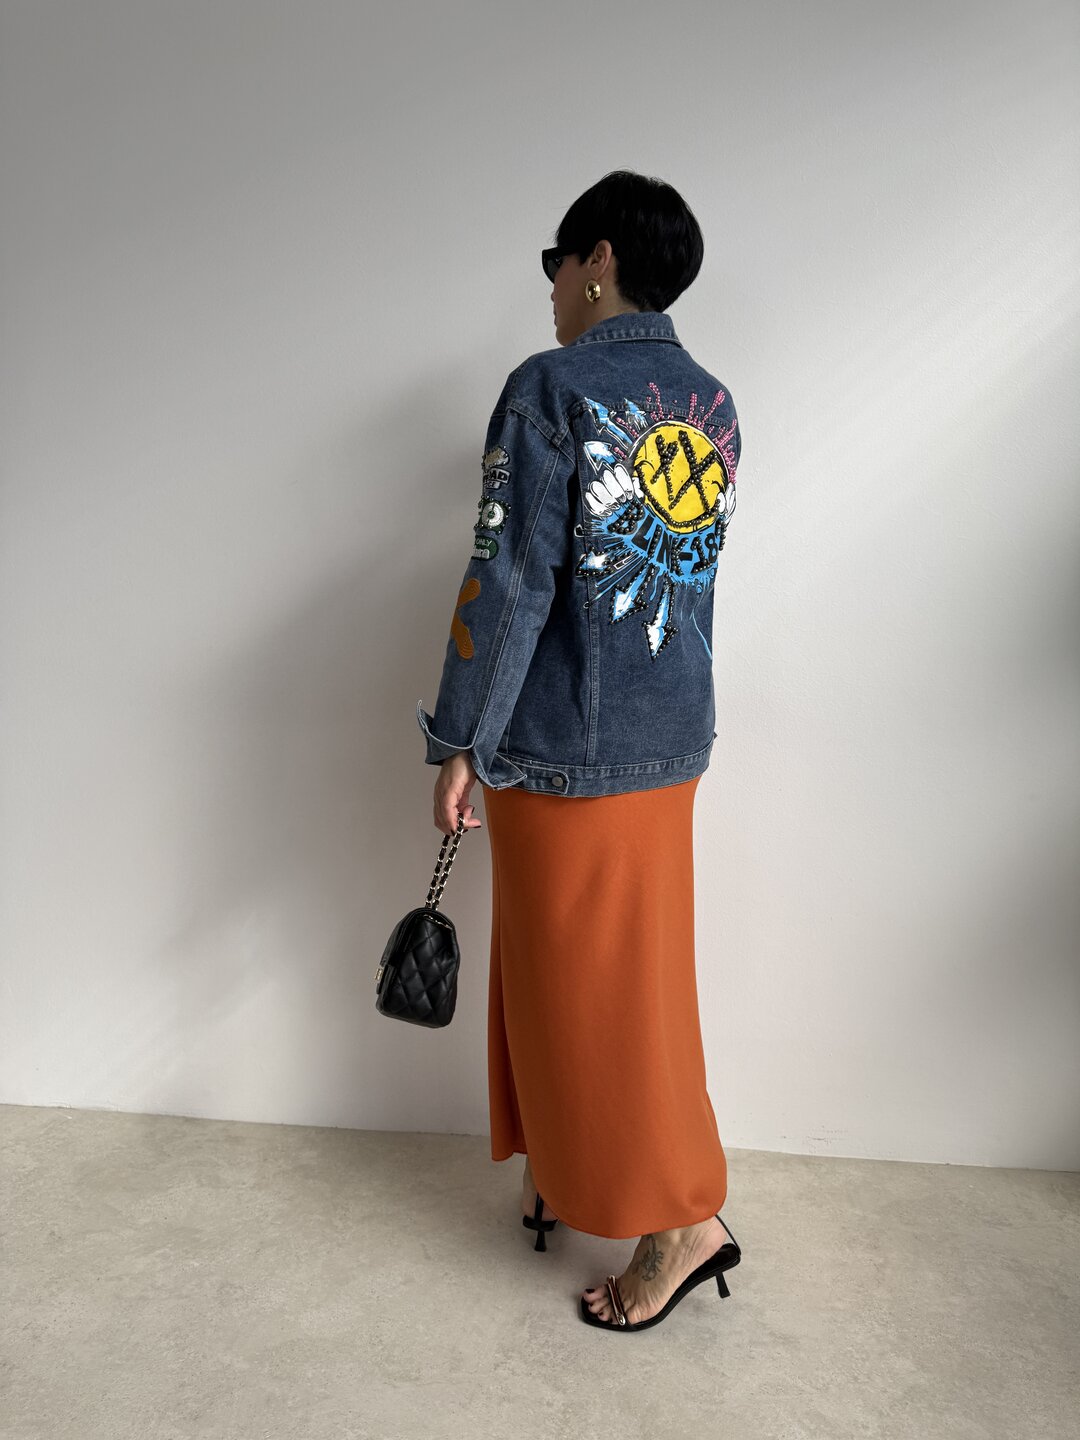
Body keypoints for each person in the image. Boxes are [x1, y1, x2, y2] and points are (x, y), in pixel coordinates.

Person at [415, 170, 744, 1331]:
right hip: (667, 736)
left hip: (564, 747)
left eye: (557, 263)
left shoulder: (550, 388)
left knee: (595, 991)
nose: (551, 287)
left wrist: (462, 737)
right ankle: (558, 1163)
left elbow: (509, 581)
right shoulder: (708, 400)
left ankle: (684, 1223)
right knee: (600, 976)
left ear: (597, 259)